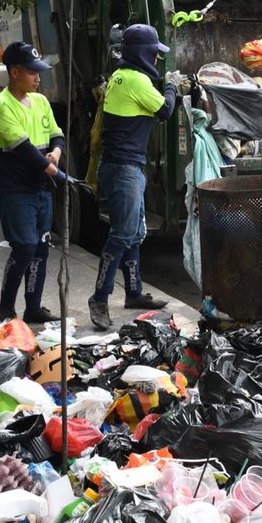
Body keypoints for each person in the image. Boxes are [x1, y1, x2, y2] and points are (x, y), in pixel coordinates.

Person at [87, 23, 178, 330]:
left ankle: (135, 292)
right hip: (125, 168)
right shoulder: (137, 80)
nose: (155, 60)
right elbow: (165, 112)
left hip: (124, 166)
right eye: (154, 54)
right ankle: (99, 298)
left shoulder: (119, 76)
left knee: (134, 233)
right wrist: (172, 85)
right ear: (142, 53)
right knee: (123, 234)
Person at [0, 42, 67, 324]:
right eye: (32, 73)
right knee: (24, 248)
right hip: (15, 190)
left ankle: (33, 307)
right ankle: (6, 307)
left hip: (39, 190)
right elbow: (23, 149)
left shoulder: (41, 101)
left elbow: (57, 135)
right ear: (15, 72)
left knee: (41, 248)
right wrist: (53, 170)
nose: (38, 78)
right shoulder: (0, 106)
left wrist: (55, 154)